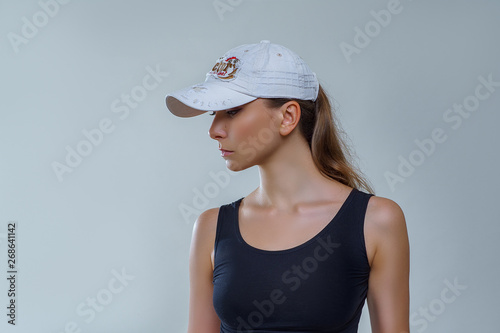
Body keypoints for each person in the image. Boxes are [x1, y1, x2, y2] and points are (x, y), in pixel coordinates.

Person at [165, 40, 410, 333]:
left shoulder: (376, 222)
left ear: (288, 117)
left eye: (232, 111)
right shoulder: (210, 227)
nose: (213, 130)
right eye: (212, 114)